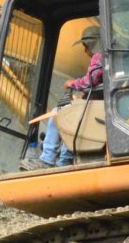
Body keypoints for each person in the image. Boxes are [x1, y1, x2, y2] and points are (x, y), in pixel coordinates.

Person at [22, 25, 104, 169]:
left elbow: (90, 80)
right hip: (100, 101)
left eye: (85, 47)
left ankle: (47, 158)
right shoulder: (109, 55)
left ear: (90, 44)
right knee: (72, 119)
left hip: (99, 104)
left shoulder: (99, 56)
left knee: (58, 114)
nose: (85, 51)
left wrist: (72, 83)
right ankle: (65, 159)